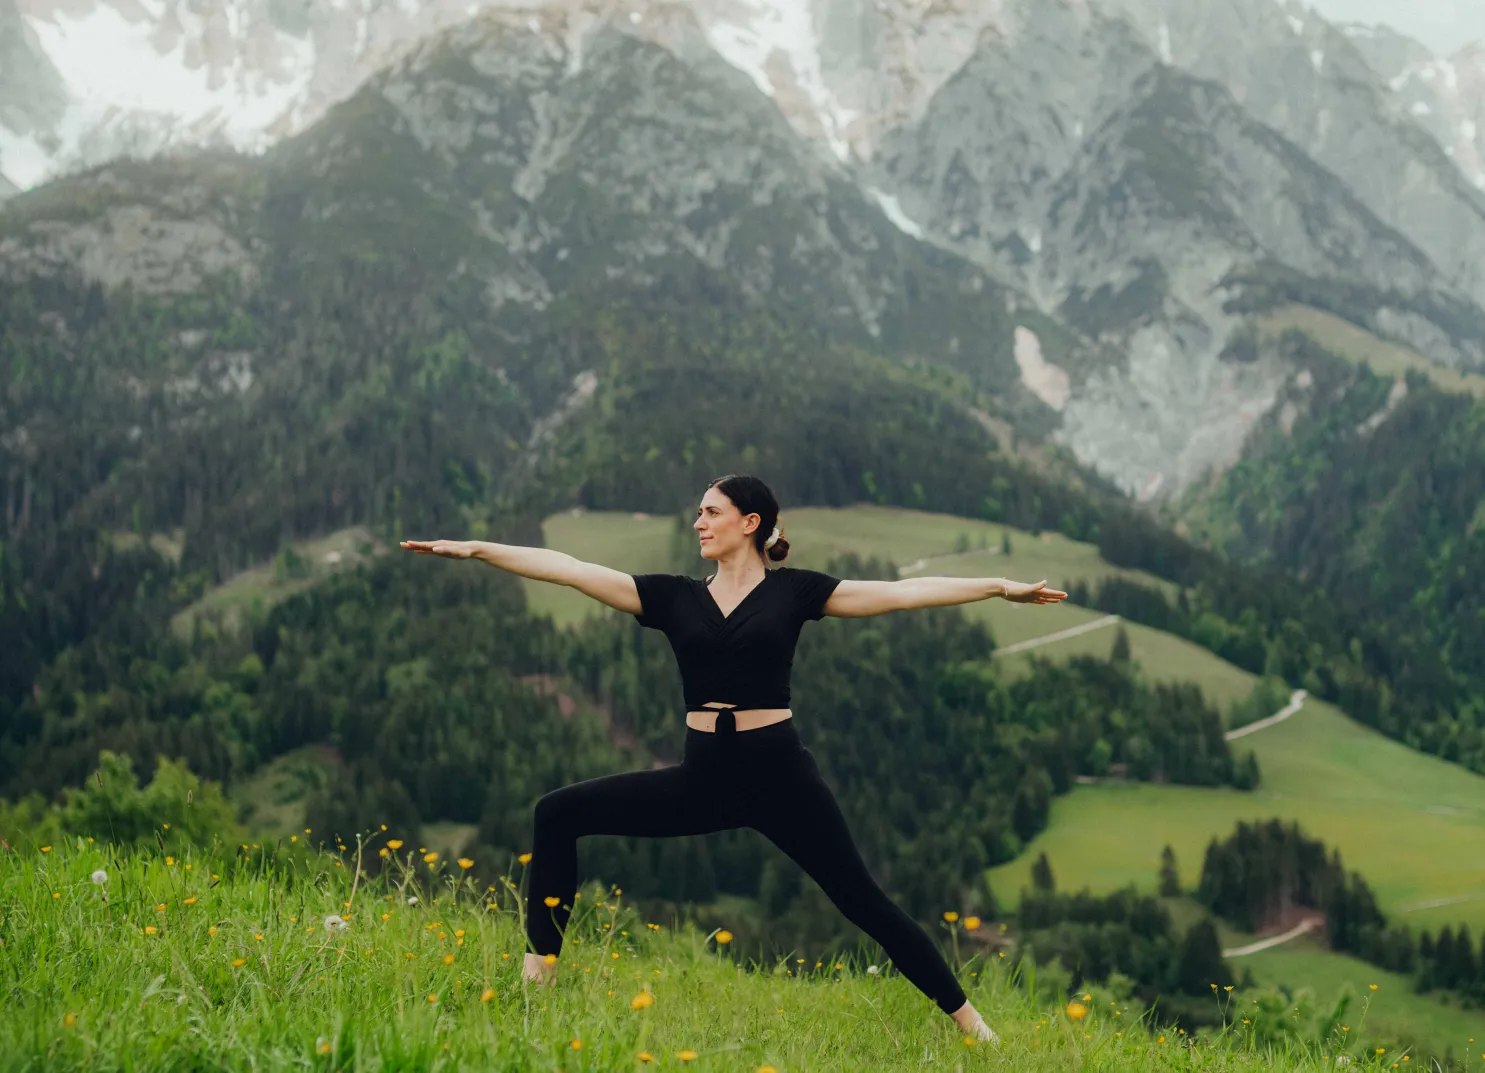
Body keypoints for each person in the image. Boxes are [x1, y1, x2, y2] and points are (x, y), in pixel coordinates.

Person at [400, 474, 1067, 1043]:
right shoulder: (673, 598)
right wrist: (478, 549)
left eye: (710, 511)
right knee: (557, 813)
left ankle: (976, 1030)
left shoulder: (796, 592)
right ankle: (536, 985)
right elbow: (569, 568)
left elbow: (900, 593)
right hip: (703, 780)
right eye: (698, 513)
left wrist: (997, 586)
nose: (698, 522)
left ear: (751, 523)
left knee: (864, 901)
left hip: (781, 778)